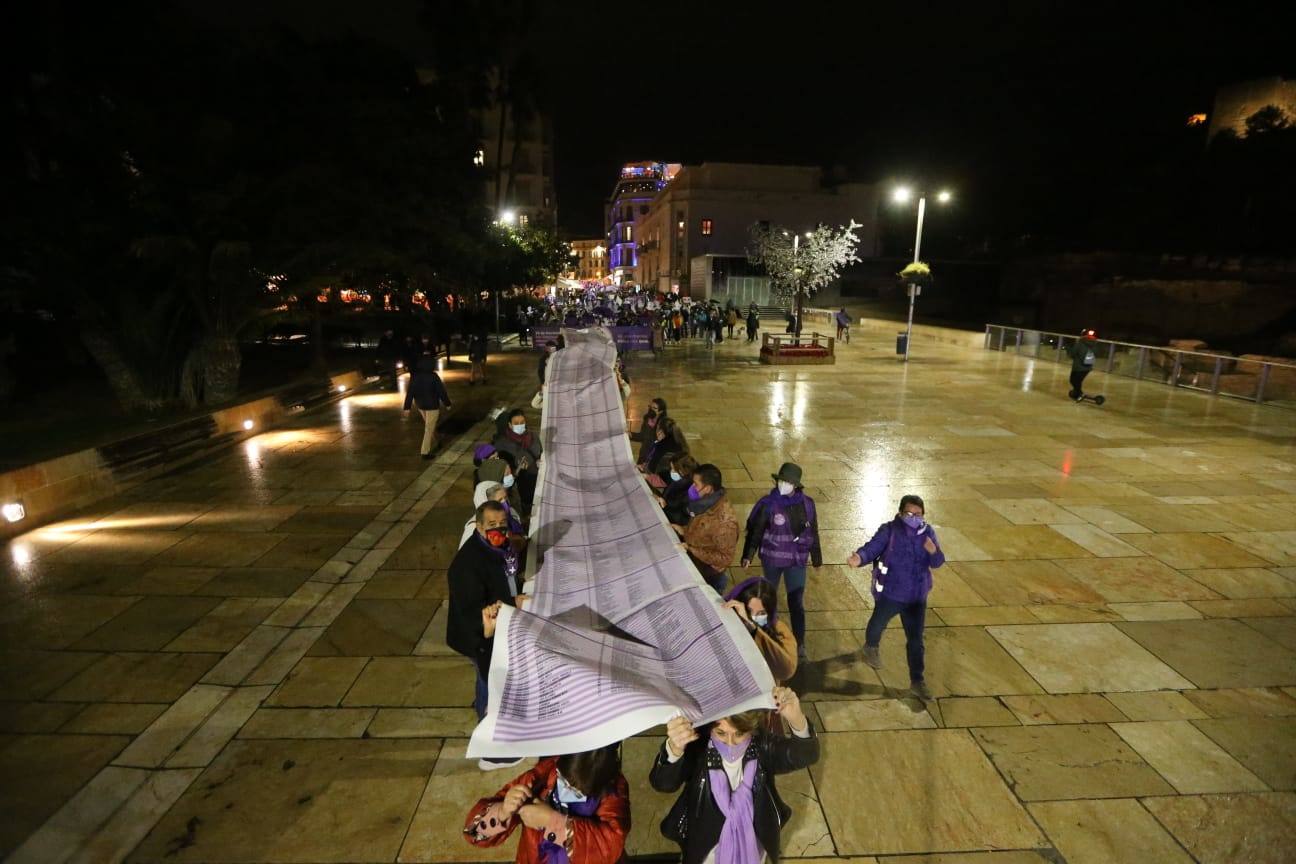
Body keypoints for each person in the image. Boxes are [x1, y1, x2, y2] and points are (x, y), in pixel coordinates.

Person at [650, 687, 818, 864]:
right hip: (705, 846)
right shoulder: (698, 748)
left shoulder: (762, 746)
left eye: (739, 733)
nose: (730, 743)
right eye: (721, 733)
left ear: (751, 728)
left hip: (752, 843)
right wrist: (675, 748)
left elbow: (805, 755)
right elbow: (663, 783)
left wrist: (797, 719)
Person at [447, 501, 525, 768]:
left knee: (486, 679)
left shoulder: (496, 547)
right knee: (489, 682)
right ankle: (491, 745)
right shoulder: (467, 564)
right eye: (492, 525)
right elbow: (473, 611)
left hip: (492, 631)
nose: (499, 530)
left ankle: (484, 709)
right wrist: (513, 602)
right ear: (479, 527)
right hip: (479, 637)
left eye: (502, 524)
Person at [847, 494, 945, 702]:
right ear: (900, 513)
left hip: (916, 598)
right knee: (877, 624)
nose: (914, 518)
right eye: (909, 513)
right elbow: (872, 547)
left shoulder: (928, 533)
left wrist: (934, 551)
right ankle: (870, 646)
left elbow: (937, 562)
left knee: (916, 641)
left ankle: (917, 681)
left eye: (918, 514)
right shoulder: (889, 530)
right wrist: (859, 557)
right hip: (891, 593)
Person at [464, 744, 630, 864]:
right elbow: (472, 833)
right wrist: (502, 811)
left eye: (577, 790)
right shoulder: (541, 776)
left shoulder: (614, 790)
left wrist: (552, 821)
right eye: (563, 778)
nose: (567, 788)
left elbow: (610, 845)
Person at [740, 463, 822, 660]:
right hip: (773, 560)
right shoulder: (768, 504)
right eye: (781, 480)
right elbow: (756, 531)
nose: (783, 484)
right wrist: (748, 555)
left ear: (796, 485)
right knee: (767, 599)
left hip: (796, 561)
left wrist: (817, 558)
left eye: (788, 482)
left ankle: (800, 643)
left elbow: (813, 531)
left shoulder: (807, 504)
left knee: (796, 602)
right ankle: (764, 635)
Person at [673, 463, 738, 595]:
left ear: (708, 488)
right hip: (695, 561)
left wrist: (692, 549)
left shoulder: (725, 522)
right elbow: (701, 528)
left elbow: (725, 558)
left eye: (696, 484)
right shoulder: (703, 504)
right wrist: (683, 530)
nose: (692, 488)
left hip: (709, 574)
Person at [724, 578, 797, 682]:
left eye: (761, 613)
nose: (754, 617)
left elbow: (787, 670)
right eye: (749, 610)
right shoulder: (728, 615)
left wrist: (753, 629)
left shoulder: (779, 629)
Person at [403, 353, 453, 459]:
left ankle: (437, 440)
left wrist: (407, 407)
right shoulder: (433, 376)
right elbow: (441, 391)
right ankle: (425, 452)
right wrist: (447, 404)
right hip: (432, 406)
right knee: (429, 428)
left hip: (421, 405)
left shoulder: (415, 376)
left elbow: (410, 392)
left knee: (429, 425)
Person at [494, 408, 542, 512]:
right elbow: (501, 469)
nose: (520, 425)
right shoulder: (502, 444)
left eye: (522, 422)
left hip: (538, 479)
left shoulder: (533, 436)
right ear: (510, 425)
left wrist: (539, 460)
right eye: (516, 423)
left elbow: (540, 452)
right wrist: (518, 468)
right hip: (520, 485)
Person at [638, 417, 684, 489]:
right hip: (652, 475)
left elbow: (665, 480)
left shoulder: (665, 451)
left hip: (656, 483)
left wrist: (647, 477)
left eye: (657, 427)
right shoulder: (677, 442)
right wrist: (644, 466)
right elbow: (651, 458)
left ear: (661, 432)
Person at [654, 454, 698, 526]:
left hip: (672, 522)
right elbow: (664, 476)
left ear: (683, 471)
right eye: (671, 468)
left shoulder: (690, 492)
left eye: (674, 469)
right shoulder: (679, 479)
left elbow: (681, 516)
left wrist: (664, 506)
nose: (671, 471)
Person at [629, 398, 667, 464]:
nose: (651, 409)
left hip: (653, 459)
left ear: (661, 411)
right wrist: (630, 435)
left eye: (654, 408)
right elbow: (642, 436)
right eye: (650, 407)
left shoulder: (663, 425)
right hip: (643, 454)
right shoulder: (647, 418)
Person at [1068, 328, 1099, 400]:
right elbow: (1096, 354)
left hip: (1077, 367)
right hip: (1087, 367)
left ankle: (1079, 394)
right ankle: (1077, 393)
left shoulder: (1079, 343)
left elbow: (1072, 354)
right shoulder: (1095, 344)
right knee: (1078, 381)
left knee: (1073, 381)